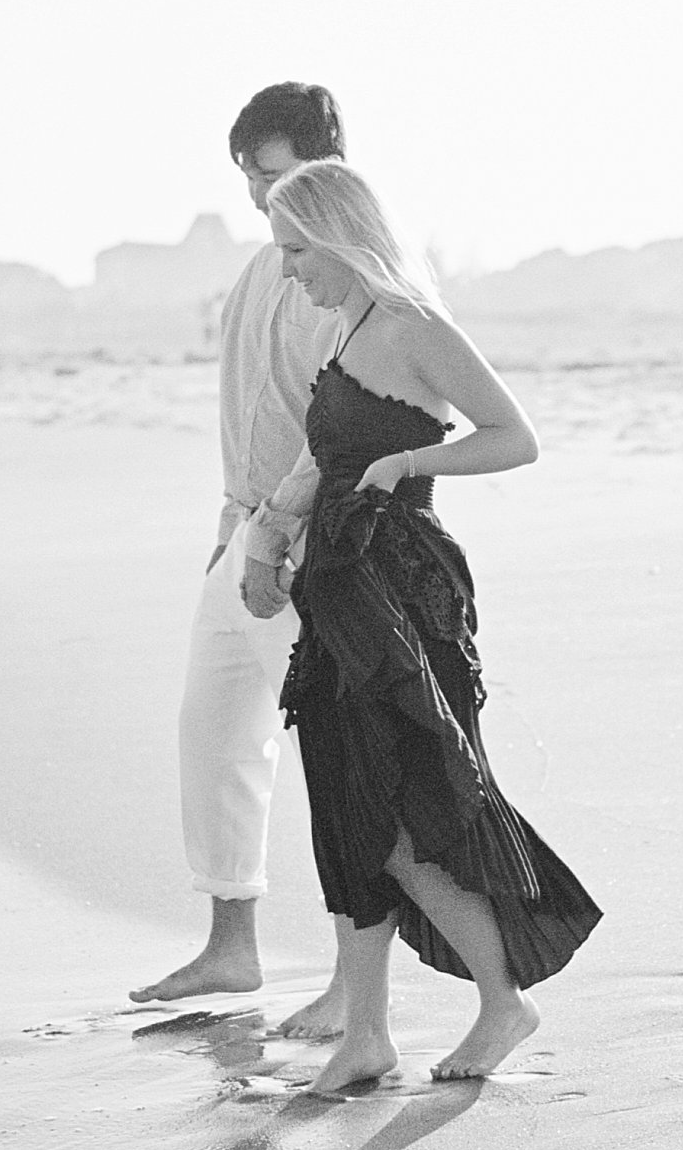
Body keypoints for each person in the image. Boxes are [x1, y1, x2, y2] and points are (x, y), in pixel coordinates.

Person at [253, 160, 601, 1092]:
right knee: (349, 809)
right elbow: (319, 458)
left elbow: (514, 437)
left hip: (403, 596)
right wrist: (268, 541)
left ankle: (503, 1002)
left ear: (338, 237)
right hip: (339, 591)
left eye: (295, 251)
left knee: (412, 809)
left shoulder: (413, 327)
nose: (289, 272)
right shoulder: (351, 324)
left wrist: (406, 461)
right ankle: (365, 1035)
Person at [129, 84, 348, 1031]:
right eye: (249, 176)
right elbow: (248, 409)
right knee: (213, 736)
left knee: (338, 762)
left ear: (319, 158)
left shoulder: (344, 268)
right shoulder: (265, 267)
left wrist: (276, 531)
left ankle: (355, 983)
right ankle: (232, 948)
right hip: (239, 536)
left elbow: (349, 419)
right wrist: (228, 530)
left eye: (269, 171)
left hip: (305, 548)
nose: (257, 193)